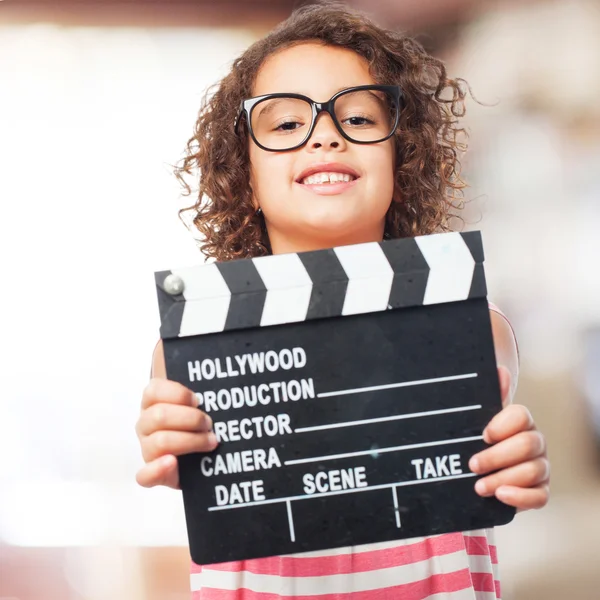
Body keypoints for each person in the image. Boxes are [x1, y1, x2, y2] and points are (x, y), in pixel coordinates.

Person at [135, 3, 550, 599]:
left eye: (357, 118)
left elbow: (492, 462)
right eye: (284, 125)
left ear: (401, 161)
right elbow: (182, 457)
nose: (325, 133)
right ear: (244, 178)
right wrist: (179, 451)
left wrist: (518, 464)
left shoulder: (474, 328)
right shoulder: (195, 342)